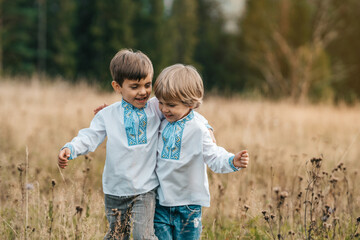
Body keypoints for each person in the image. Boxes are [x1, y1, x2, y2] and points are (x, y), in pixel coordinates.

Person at [58, 49, 160, 240]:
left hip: (145, 189)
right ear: (117, 86)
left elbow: (182, 111)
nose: (143, 91)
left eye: (147, 84)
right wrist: (70, 148)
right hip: (115, 190)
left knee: (143, 236)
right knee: (116, 236)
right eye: (135, 86)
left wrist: (207, 129)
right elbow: (90, 136)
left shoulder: (157, 107)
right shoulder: (107, 115)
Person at [152, 64, 250, 240]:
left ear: (190, 103)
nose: (164, 109)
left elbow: (213, 155)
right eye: (161, 102)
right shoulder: (161, 120)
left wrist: (231, 161)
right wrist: (109, 112)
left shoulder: (199, 128)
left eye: (171, 105)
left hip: (188, 205)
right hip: (161, 203)